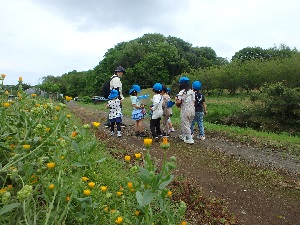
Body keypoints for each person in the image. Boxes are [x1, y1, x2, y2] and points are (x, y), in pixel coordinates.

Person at [175, 76, 195, 144]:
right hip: (192, 110)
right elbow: (194, 101)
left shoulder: (182, 92)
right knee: (188, 124)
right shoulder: (192, 91)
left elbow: (178, 102)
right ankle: (184, 135)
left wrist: (176, 103)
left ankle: (190, 139)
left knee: (185, 124)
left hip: (185, 110)